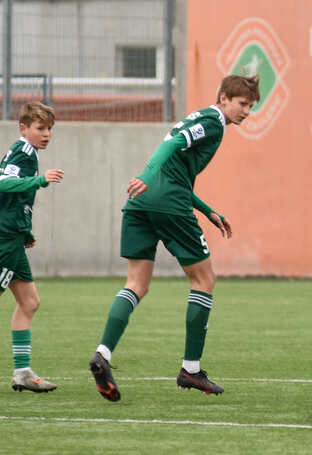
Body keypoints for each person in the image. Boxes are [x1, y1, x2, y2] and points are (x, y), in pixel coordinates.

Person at [88, 73, 261, 401]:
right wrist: (146, 174)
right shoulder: (212, 122)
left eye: (251, 106)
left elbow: (177, 170)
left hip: (140, 204)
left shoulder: (201, 117)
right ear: (223, 97)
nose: (247, 111)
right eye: (242, 103)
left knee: (136, 284)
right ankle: (191, 370)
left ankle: (103, 355)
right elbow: (170, 145)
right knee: (204, 280)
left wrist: (207, 210)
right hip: (168, 203)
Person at [0, 102, 64, 393]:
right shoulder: (23, 151)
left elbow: (12, 199)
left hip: (13, 236)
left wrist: (25, 230)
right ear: (23, 129)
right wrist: (40, 180)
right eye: (40, 128)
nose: (46, 134)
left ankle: (22, 373)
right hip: (2, 238)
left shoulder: (29, 152)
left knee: (30, 302)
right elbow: (3, 184)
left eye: (49, 129)